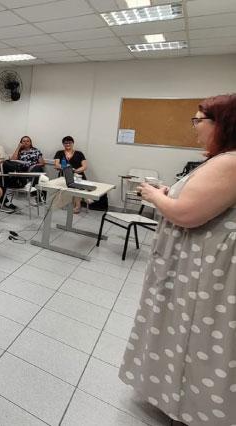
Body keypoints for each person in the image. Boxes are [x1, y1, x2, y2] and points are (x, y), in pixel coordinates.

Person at [119, 94, 236, 426]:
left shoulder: (230, 162)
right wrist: (171, 191)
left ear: (222, 123)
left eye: (199, 121)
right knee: (181, 328)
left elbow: (187, 214)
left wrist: (156, 195)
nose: (195, 128)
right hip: (193, 266)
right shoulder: (222, 160)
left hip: (204, 274)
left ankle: (192, 405)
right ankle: (172, 394)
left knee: (195, 334)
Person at [53, 136, 88, 214]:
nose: (68, 144)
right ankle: (83, 199)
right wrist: (67, 169)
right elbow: (56, 165)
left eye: (69, 142)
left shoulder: (79, 153)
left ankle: (78, 206)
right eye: (65, 143)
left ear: (73, 143)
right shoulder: (59, 153)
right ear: (63, 144)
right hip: (64, 175)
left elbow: (85, 166)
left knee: (76, 186)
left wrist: (75, 171)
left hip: (78, 175)